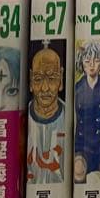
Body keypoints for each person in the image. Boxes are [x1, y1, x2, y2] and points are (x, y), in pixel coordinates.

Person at [27, 44, 67, 183]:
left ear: (61, 79)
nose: (44, 88)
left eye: (51, 79)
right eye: (38, 79)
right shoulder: (21, 122)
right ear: (31, 80)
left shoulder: (72, 118)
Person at [74, 41, 100, 182]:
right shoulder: (77, 89)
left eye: (96, 60)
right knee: (78, 170)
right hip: (82, 145)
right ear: (82, 63)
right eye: (87, 61)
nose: (92, 65)